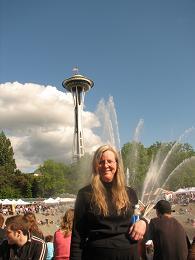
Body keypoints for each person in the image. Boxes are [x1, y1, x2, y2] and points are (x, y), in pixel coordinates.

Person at [70, 144, 147, 260]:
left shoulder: (130, 193)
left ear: (117, 164)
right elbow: (77, 236)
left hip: (130, 255)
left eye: (110, 161)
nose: (106, 165)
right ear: (95, 166)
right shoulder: (85, 194)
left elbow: (138, 219)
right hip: (97, 255)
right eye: (101, 162)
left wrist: (144, 222)